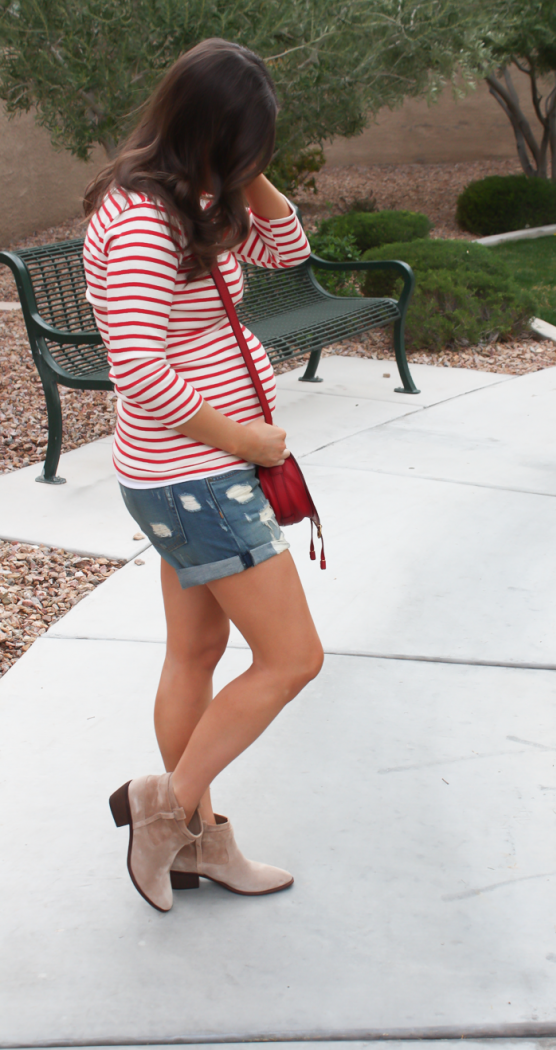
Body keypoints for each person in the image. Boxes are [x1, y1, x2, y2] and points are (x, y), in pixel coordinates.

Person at [83, 38, 324, 913]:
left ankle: (196, 849)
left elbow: (288, 247)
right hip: (199, 475)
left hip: (183, 474)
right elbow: (140, 370)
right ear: (208, 132)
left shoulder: (197, 198)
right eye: (248, 141)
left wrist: (247, 168)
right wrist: (250, 443)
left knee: (196, 651)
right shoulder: (147, 220)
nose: (258, 160)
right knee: (294, 657)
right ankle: (167, 812)